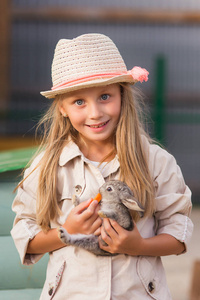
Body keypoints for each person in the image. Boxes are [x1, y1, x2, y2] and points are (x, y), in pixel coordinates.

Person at [11, 33, 193, 300]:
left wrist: (138, 245)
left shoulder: (156, 161)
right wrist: (67, 233)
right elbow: (25, 233)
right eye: (79, 102)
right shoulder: (46, 166)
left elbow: (179, 233)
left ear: (122, 94)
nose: (95, 113)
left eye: (105, 96)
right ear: (62, 107)